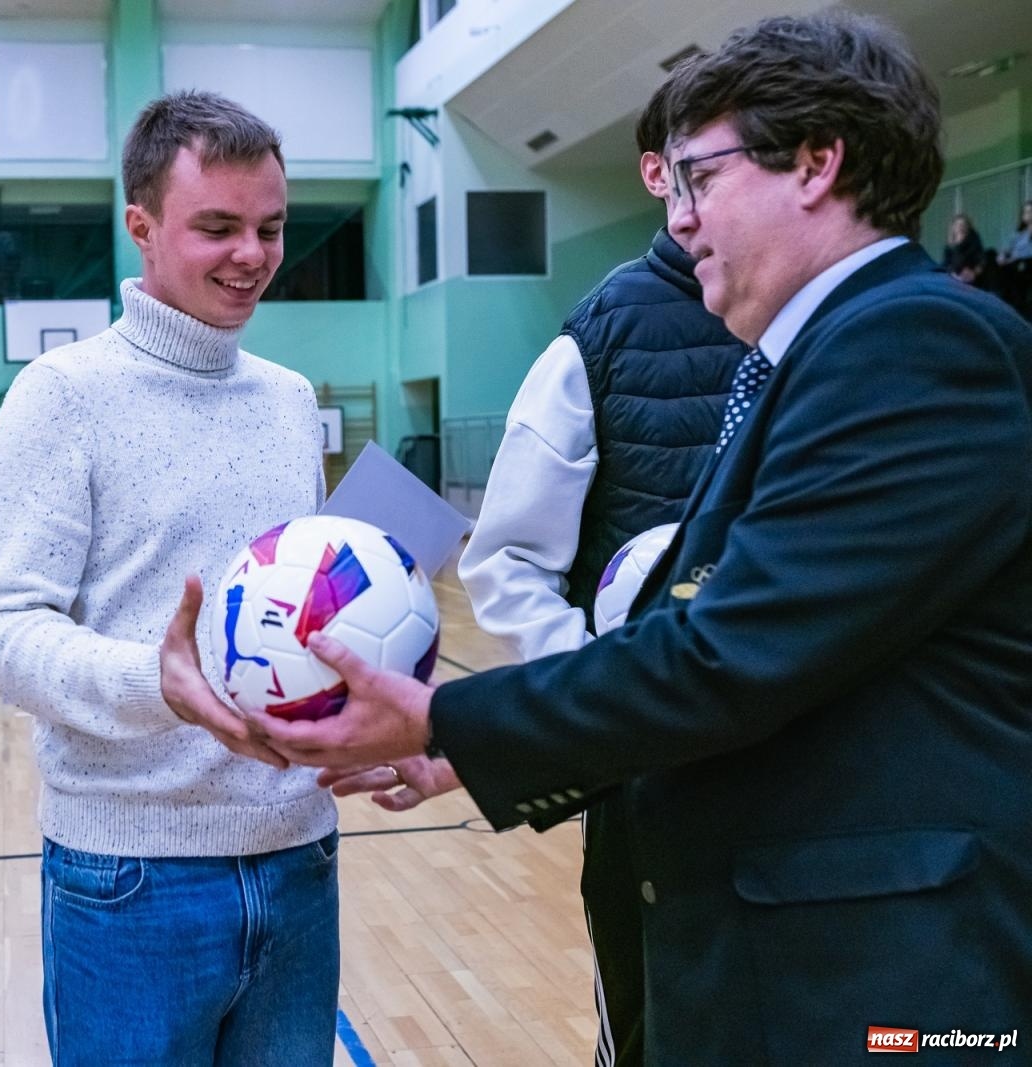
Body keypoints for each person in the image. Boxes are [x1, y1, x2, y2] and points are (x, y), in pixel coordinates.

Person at [244, 13, 1032, 1063]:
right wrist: (484, 750)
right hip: (786, 949)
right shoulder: (814, 350)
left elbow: (730, 655)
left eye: (700, 177)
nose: (681, 215)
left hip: (884, 975)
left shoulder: (914, 345)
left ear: (816, 163)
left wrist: (450, 720)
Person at [327, 83, 745, 1067]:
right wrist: (595, 700)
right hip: (646, 777)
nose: (706, 202)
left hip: (805, 784)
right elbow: (505, 560)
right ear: (659, 176)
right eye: (697, 171)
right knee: (650, 1029)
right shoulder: (599, 335)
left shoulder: (826, 337)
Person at [0, 91, 338, 1066]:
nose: (252, 254)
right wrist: (156, 681)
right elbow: (1, 631)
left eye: (270, 228)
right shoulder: (60, 398)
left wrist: (358, 706)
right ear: (140, 226)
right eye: (217, 227)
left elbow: (300, 610)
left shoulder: (292, 401)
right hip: (128, 878)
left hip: (300, 857)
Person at [942, 212, 987, 286]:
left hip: (973, 276)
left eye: (963, 225)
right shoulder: (949, 246)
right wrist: (953, 274)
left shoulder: (974, 240)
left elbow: (982, 260)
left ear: (968, 227)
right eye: (957, 225)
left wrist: (974, 273)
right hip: (954, 277)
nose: (960, 227)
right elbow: (945, 264)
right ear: (953, 228)